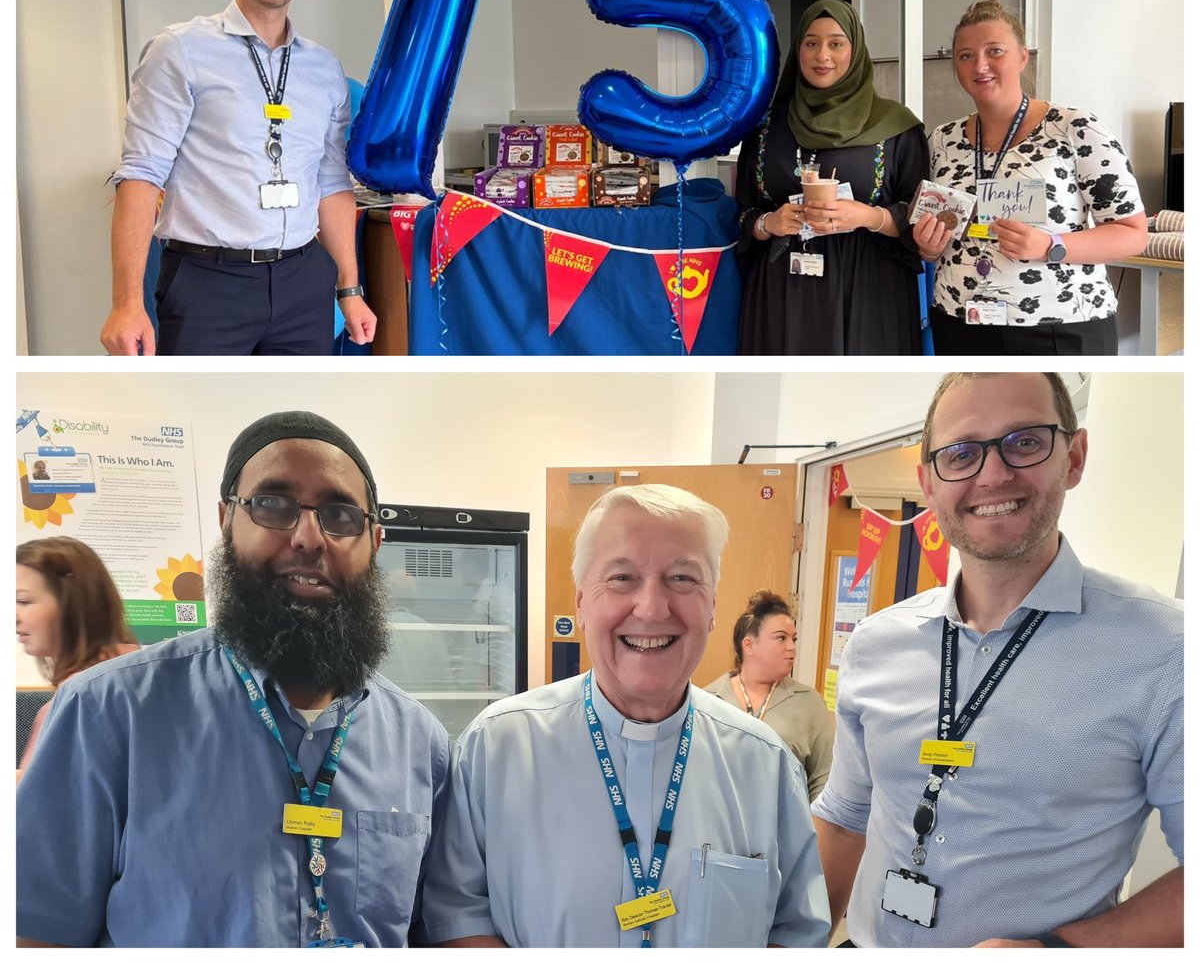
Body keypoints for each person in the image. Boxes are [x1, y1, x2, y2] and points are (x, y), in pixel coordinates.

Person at [16, 411, 448, 947]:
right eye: (273, 504)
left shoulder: (421, 743)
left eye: (340, 514)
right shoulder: (104, 713)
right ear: (225, 519)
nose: (310, 537)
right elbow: (37, 937)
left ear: (375, 540)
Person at [811, 372, 1182, 947]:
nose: (992, 474)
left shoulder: (1165, 648)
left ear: (1074, 457)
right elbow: (844, 817)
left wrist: (1061, 950)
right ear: (928, 484)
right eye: (959, 453)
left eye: (1025, 441)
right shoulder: (876, 642)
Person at [421, 484, 830, 948]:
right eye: (621, 578)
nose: (652, 608)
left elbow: (797, 930)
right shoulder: (499, 746)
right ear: (580, 603)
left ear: (713, 606)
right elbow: (456, 914)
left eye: (682, 578)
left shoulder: (765, 764)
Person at [100, 0, 377, 356]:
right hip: (209, 283)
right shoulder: (180, 50)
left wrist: (349, 288)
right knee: (202, 417)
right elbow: (141, 173)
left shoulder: (325, 69)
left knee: (296, 417)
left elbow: (331, 183)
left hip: (303, 280)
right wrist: (126, 302)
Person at [913, 0, 1147, 354]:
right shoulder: (942, 140)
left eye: (995, 51)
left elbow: (1133, 234)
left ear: (1022, 57)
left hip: (1061, 325)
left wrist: (1051, 246)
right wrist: (927, 247)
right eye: (965, 55)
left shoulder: (1074, 129)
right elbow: (938, 230)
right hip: (961, 321)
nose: (980, 65)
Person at [736, 0, 929, 354]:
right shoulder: (765, 126)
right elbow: (743, 213)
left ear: (854, 51)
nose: (822, 55)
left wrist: (869, 216)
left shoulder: (896, 126)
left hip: (869, 290)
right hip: (783, 289)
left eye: (836, 43)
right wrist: (769, 223)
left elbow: (918, 214)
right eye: (811, 43)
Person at [15, 537, 138, 769]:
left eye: (23, 601)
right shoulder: (138, 669)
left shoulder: (80, 697)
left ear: (72, 604)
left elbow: (43, 796)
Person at [704, 589, 833, 802]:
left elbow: (823, 781)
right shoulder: (709, 700)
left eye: (794, 639)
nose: (791, 647)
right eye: (781, 638)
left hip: (785, 831)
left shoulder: (809, 703)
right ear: (749, 645)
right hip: (719, 830)